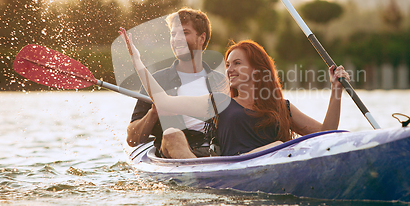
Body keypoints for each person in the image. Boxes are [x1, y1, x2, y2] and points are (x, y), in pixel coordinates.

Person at [121, 27, 351, 159]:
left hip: (272, 167)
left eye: (238, 63)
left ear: (257, 69)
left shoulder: (283, 107)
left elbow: (325, 134)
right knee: (171, 133)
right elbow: (163, 101)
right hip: (230, 171)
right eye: (228, 64)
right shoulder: (219, 102)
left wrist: (336, 91)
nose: (230, 70)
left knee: (275, 147)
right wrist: (138, 62)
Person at [125, 8, 227, 158]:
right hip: (174, 151)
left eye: (185, 33)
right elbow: (132, 139)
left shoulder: (222, 82)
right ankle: (198, 174)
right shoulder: (156, 82)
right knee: (172, 134)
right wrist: (153, 113)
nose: (177, 38)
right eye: (173, 34)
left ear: (202, 38)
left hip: (216, 154)